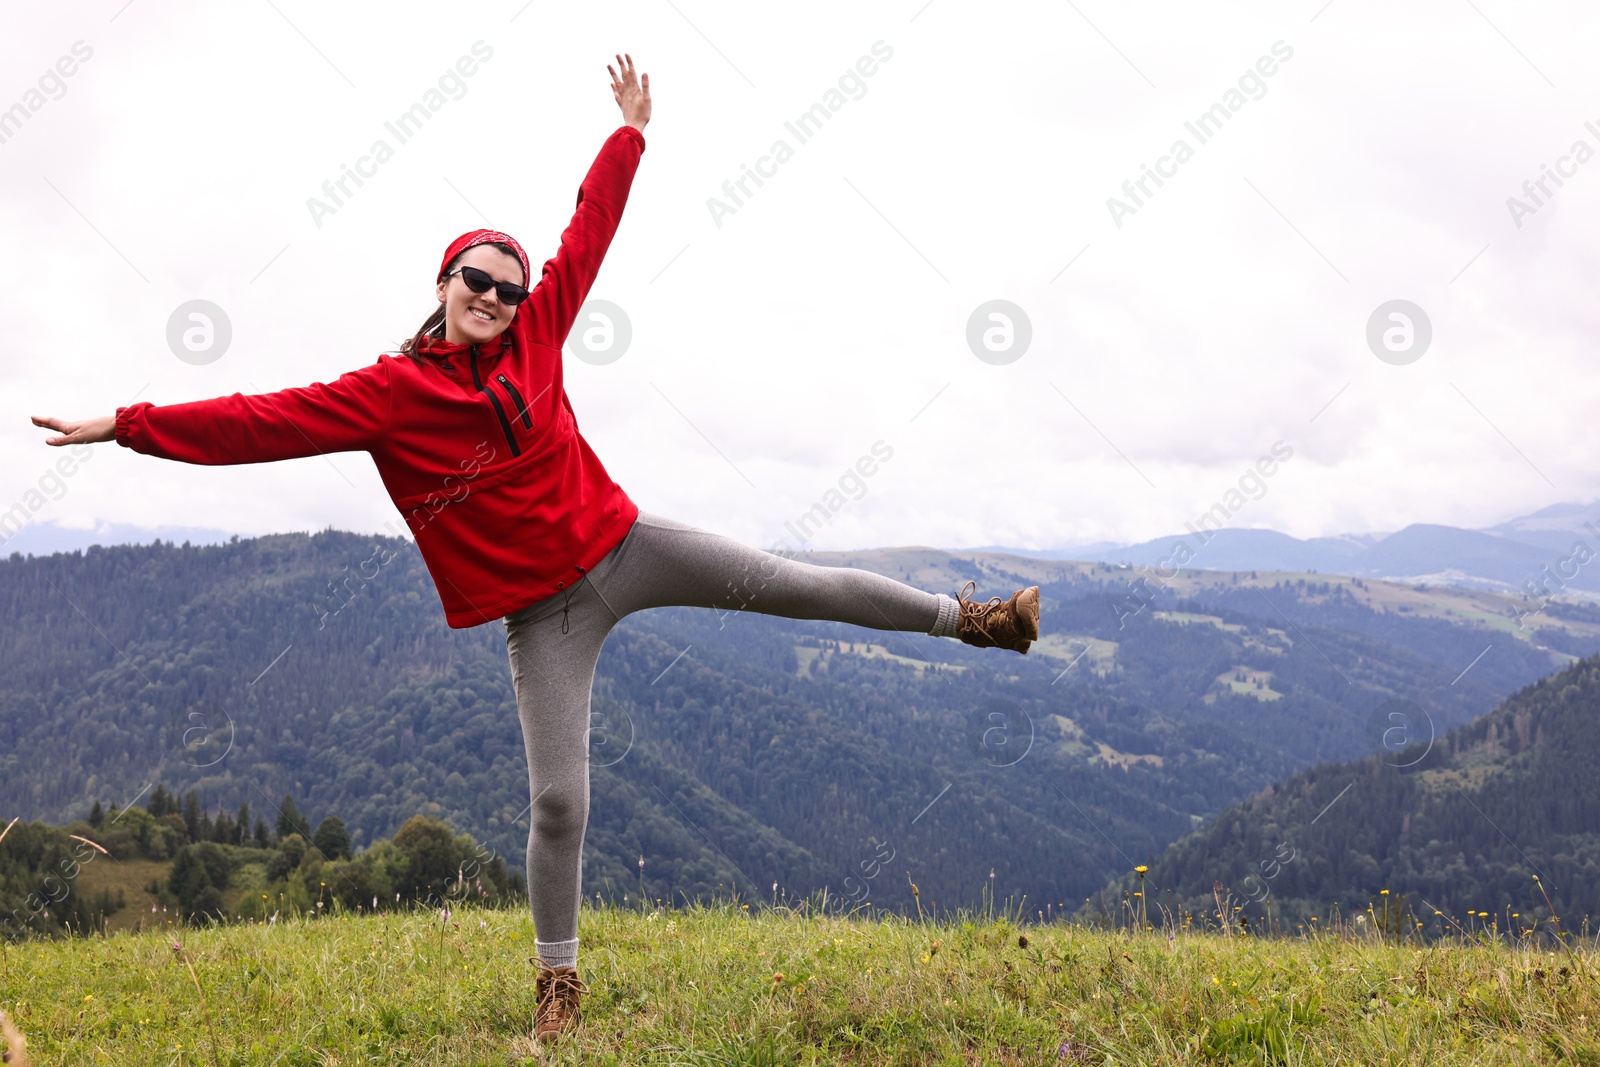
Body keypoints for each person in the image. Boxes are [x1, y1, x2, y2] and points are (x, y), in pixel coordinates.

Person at [31, 53, 1041, 1044]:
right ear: (444, 280)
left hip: (628, 543)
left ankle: (976, 620)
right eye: (479, 280)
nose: (497, 298)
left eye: (509, 289)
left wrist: (629, 135)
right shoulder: (389, 395)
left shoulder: (539, 329)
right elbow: (259, 420)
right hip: (544, 614)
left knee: (800, 585)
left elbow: (586, 231)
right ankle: (558, 979)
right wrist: (126, 423)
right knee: (560, 800)